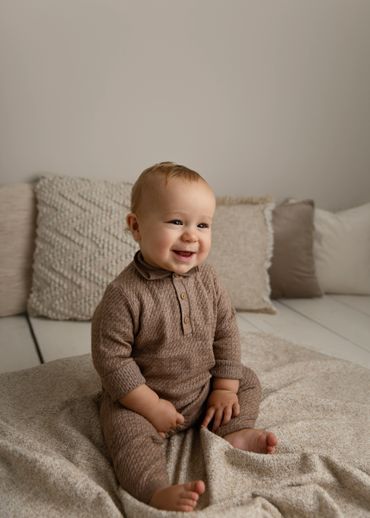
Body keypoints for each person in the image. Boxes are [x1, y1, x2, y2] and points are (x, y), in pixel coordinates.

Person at [91, 162, 277, 512]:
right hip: (144, 399)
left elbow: (226, 333)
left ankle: (233, 431)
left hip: (200, 390)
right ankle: (154, 489)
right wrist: (150, 405)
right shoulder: (123, 294)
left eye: (202, 225)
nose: (191, 235)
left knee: (245, 380)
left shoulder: (208, 280)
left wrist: (223, 388)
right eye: (177, 221)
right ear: (136, 226)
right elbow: (111, 359)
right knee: (124, 434)